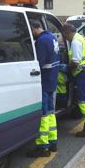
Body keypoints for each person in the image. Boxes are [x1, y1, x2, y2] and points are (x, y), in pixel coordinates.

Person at [27, 21, 60, 158]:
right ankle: (53, 142)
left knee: (44, 114)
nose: (32, 35)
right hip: (52, 80)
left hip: (44, 81)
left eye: (31, 31)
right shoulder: (52, 37)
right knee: (51, 113)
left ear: (35, 29)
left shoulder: (41, 41)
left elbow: (38, 64)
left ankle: (42, 146)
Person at [62, 23, 85, 137]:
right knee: (84, 100)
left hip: (84, 73)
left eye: (64, 35)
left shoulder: (76, 42)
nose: (65, 38)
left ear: (67, 33)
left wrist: (67, 68)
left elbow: (76, 61)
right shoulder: (80, 37)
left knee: (83, 100)